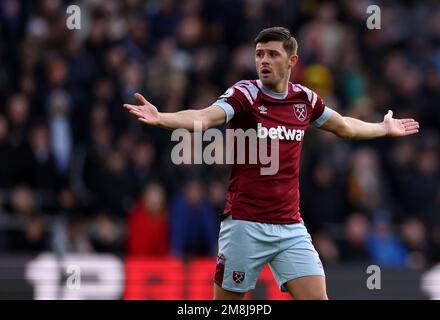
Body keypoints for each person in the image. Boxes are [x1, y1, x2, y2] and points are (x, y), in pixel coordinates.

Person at [123, 27, 420, 300]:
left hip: (290, 226)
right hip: (245, 225)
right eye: (259, 54)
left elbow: (344, 127)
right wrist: (163, 118)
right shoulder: (246, 94)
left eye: (272, 54)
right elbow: (204, 117)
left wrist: (382, 128)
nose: (263, 60)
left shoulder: (305, 100)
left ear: (292, 61)